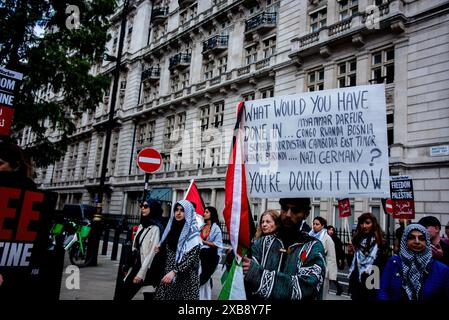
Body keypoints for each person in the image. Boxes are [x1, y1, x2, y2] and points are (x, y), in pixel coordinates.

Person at [243, 198, 326, 300]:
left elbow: (306, 288)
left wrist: (258, 274)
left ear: (306, 214)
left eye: (295, 210)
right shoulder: (262, 243)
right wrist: (236, 262)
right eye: (285, 208)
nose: (288, 215)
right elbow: (245, 278)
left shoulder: (313, 247)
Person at [378, 224, 449, 300]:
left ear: (427, 242)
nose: (417, 241)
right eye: (412, 238)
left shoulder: (442, 270)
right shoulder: (393, 263)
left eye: (421, 238)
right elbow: (383, 291)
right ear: (405, 241)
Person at [154, 200, 202, 300]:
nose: (178, 213)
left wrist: (175, 271)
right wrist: (160, 249)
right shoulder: (171, 228)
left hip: (186, 277)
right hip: (169, 273)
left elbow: (190, 258)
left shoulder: (193, 233)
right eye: (176, 210)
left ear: (188, 212)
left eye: (182, 210)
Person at [117, 198, 164, 300]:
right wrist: (127, 265)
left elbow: (151, 253)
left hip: (146, 268)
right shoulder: (142, 225)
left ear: (153, 209)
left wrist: (140, 274)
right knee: (125, 293)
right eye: (141, 206)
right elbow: (135, 248)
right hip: (136, 264)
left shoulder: (155, 228)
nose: (143, 208)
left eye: (146, 206)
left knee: (144, 295)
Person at [348, 212, 387, 301]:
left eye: (367, 223)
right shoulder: (357, 239)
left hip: (373, 278)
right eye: (362, 223)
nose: (364, 226)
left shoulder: (380, 242)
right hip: (358, 280)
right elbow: (352, 264)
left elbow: (383, 264)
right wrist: (350, 254)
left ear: (373, 224)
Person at [309, 217, 337, 299]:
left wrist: (331, 275)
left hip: (322, 270)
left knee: (320, 295)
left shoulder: (327, 238)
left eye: (317, 224)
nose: (314, 226)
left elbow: (331, 257)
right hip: (309, 269)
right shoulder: (309, 235)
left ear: (322, 226)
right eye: (313, 224)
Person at [199, 206, 223, 300]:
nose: (204, 213)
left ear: (211, 214)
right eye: (204, 212)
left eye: (207, 212)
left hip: (210, 257)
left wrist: (204, 242)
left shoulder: (216, 228)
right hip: (199, 256)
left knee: (204, 278)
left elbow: (217, 244)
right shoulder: (201, 226)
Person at [327, 225, 344, 295]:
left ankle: (328, 289)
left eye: (332, 230)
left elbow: (340, 250)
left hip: (334, 258)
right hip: (328, 258)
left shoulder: (336, 239)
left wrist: (340, 259)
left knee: (330, 274)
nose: (331, 231)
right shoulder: (326, 238)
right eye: (329, 230)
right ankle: (339, 288)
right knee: (330, 274)